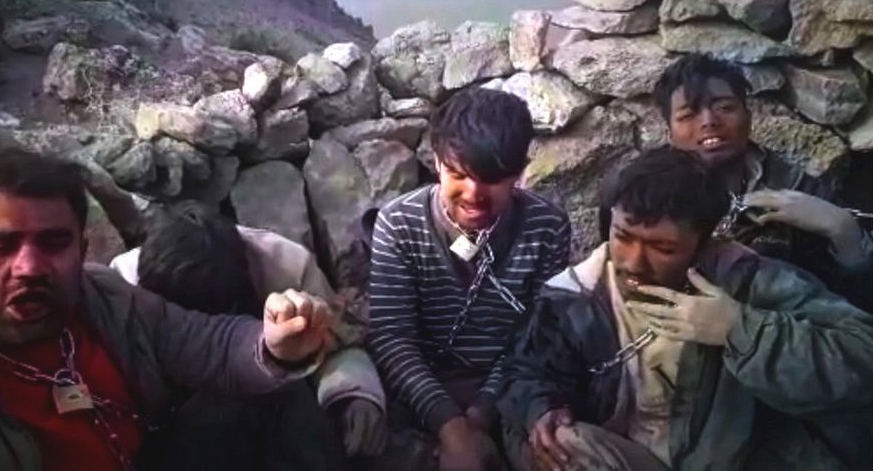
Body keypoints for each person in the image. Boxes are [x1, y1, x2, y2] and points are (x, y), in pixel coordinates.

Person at [0, 147, 331, 471]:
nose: (29, 267)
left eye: (54, 243)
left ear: (83, 249)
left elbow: (206, 341)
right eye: (0, 246)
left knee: (276, 389)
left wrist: (274, 343)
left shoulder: (102, 296)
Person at [499, 148, 873, 471]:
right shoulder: (573, 297)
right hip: (629, 458)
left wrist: (738, 328)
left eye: (662, 249)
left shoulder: (747, 282)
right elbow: (526, 372)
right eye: (623, 237)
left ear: (703, 243)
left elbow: (862, 358)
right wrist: (541, 407)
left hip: (736, 461)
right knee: (561, 444)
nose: (633, 262)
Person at [366, 88, 571, 471]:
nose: (474, 194)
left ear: (520, 171)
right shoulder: (398, 224)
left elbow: (534, 336)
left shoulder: (547, 226)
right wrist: (451, 427)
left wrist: (479, 419)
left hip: (508, 392)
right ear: (437, 163)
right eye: (459, 174)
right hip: (415, 390)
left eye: (492, 178)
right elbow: (392, 338)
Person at [109, 202, 387, 470]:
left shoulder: (285, 267)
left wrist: (355, 393)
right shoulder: (122, 289)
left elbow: (336, 345)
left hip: (275, 420)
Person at [630, 53, 872, 310]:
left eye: (724, 107)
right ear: (669, 133)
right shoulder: (647, 194)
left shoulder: (798, 186)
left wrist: (843, 229)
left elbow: (853, 311)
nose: (709, 121)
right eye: (688, 115)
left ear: (748, 116)